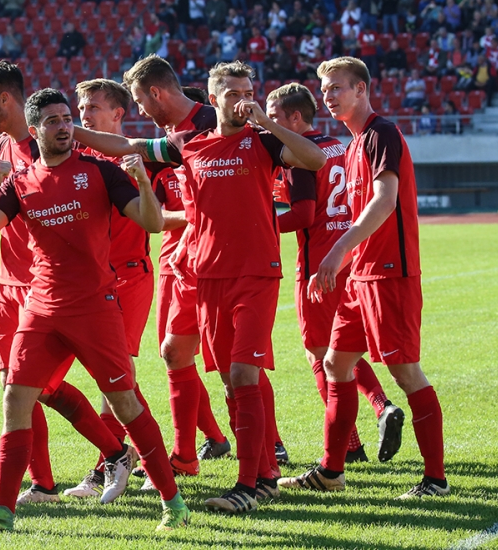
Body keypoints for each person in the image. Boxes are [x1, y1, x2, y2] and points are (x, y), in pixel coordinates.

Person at [76, 58, 326, 514]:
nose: (242, 101)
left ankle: (251, 483)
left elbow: (315, 158)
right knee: (229, 378)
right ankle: (262, 472)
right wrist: (68, 130)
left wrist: (267, 122)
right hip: (207, 275)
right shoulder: (188, 144)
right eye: (233, 93)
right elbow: (126, 144)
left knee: (245, 374)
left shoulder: (264, 141)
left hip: (255, 274)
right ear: (213, 98)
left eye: (248, 92)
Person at [0, 87, 190, 534]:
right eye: (54, 121)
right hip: (41, 307)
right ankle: (1, 512)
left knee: (125, 403)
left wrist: (140, 180)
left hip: (94, 307)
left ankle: (173, 503)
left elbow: (152, 223)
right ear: (35, 129)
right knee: (15, 399)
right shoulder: (20, 182)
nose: (65, 127)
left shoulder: (99, 171)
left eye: (67, 119)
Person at [0, 64, 135, 508]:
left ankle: (116, 453)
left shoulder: (50, 145)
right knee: (14, 388)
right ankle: (43, 484)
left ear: (5, 100)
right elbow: (9, 204)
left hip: (43, 288)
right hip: (8, 282)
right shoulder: (5, 144)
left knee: (40, 388)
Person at [280, 57, 449, 500]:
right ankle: (331, 471)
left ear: (361, 89)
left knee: (405, 372)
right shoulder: (353, 146)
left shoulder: (380, 133)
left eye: (336, 87)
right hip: (360, 276)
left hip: (389, 273)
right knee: (335, 363)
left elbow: (385, 201)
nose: (328, 97)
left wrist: (337, 249)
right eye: (324, 90)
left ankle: (435, 480)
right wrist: (341, 262)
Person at [266, 83, 404, 467]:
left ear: (296, 118)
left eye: (274, 117)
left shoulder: (299, 155)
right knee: (340, 349)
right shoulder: (339, 146)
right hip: (349, 252)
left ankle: (351, 442)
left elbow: (303, 214)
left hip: (319, 262)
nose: (267, 126)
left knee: (319, 351)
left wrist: (260, 224)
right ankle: (380, 407)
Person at [61, 79, 159, 495]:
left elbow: (163, 213)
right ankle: (142, 460)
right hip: (92, 281)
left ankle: (109, 465)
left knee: (115, 378)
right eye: (80, 108)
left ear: (118, 113)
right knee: (113, 378)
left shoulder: (136, 155)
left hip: (129, 275)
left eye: (92, 107)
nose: (83, 115)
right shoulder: (76, 158)